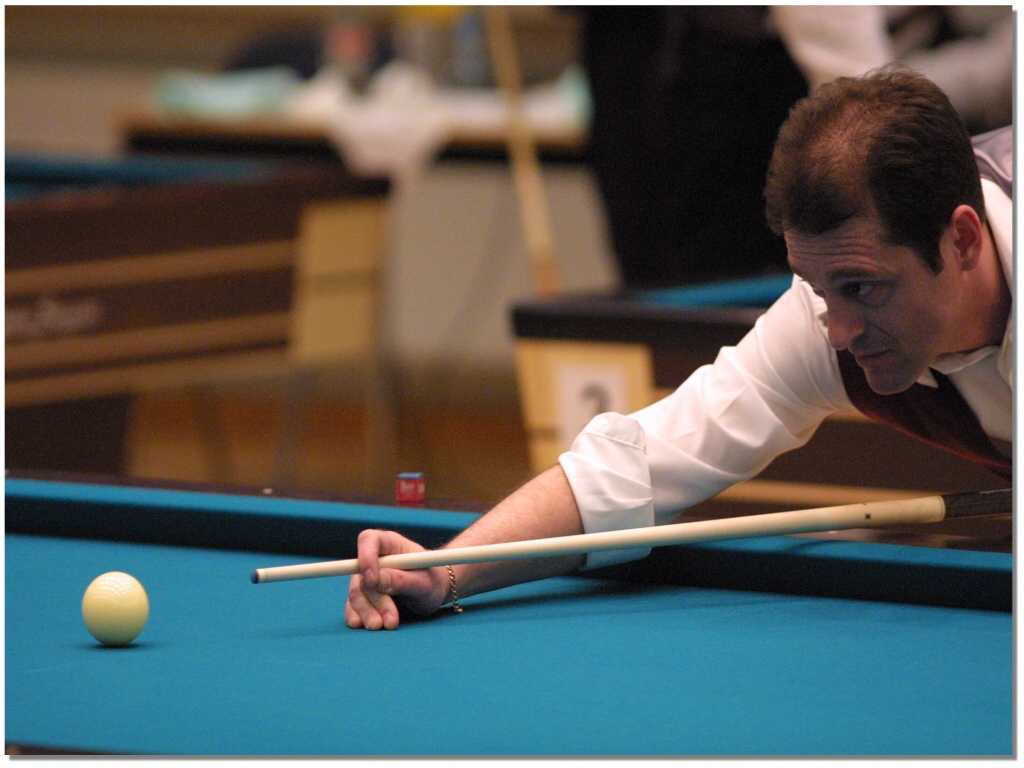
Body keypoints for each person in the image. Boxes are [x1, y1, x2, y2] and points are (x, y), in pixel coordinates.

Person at [344, 69, 1012, 631]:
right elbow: (638, 467)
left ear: (962, 241)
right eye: (817, 288)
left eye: (862, 288)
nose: (836, 330)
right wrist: (447, 571)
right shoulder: (823, 320)